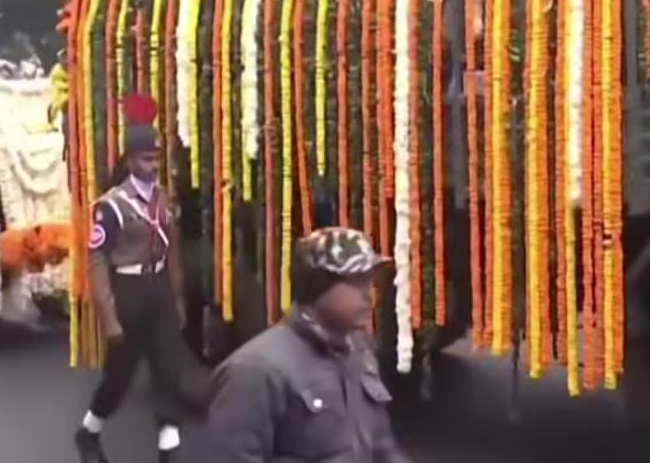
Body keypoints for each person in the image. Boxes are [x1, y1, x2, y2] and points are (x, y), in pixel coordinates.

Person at [205, 227, 411, 463]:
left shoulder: (358, 351)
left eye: (372, 281)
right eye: (357, 282)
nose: (369, 294)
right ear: (317, 286)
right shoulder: (255, 371)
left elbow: (382, 445)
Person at [74, 94, 189, 463]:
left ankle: (169, 447)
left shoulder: (163, 200)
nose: (153, 166)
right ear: (129, 160)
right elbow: (96, 261)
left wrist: (178, 299)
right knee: (120, 375)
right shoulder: (112, 206)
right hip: (127, 291)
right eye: (146, 159)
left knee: (168, 367)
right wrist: (108, 317)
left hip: (158, 290)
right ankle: (89, 430)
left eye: (157, 159)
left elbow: (171, 251)